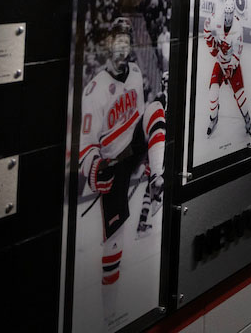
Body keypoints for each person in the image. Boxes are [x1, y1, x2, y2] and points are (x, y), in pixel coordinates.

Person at [78, 17, 167, 326]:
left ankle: (159, 180)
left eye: (126, 41)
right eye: (117, 41)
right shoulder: (95, 90)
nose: (122, 46)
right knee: (114, 243)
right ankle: (110, 314)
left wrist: (147, 160)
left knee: (156, 109)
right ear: (108, 45)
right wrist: (94, 167)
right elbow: (84, 147)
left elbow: (142, 117)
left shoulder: (137, 74)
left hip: (132, 150)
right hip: (112, 164)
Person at [202, 0, 251, 141]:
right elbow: (206, 29)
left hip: (232, 65)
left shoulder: (238, 29)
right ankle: (214, 118)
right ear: (224, 12)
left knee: (240, 97)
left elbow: (238, 52)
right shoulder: (216, 18)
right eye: (227, 14)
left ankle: (248, 120)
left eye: (231, 14)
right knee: (213, 92)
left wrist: (231, 67)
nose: (229, 18)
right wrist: (212, 46)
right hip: (220, 62)